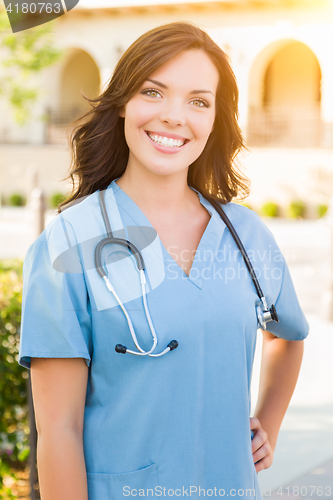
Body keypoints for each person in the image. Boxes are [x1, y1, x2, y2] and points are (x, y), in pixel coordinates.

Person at [18, 21, 309, 500]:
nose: (175, 116)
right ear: (123, 106)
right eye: (154, 92)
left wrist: (269, 425)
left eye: (198, 101)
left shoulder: (246, 235)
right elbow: (59, 431)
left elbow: (286, 335)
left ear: (216, 119)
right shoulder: (69, 244)